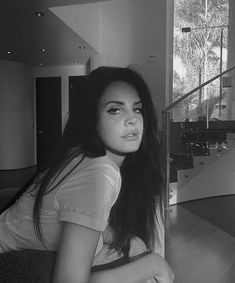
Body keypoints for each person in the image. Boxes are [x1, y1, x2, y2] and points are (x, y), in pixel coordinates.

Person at [0, 66, 174, 283]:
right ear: (91, 119)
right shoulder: (99, 174)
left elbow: (86, 219)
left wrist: (129, 240)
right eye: (115, 110)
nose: (132, 120)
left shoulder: (84, 157)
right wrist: (154, 265)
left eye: (137, 109)